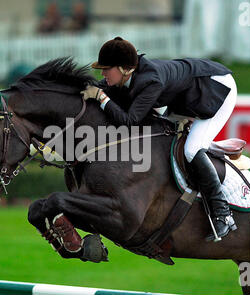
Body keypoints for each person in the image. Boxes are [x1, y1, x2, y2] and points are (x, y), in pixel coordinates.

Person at [81, 37, 238, 241]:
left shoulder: (150, 81)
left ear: (124, 69)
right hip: (191, 91)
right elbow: (100, 86)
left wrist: (101, 98)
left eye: (106, 69)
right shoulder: (129, 75)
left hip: (216, 90)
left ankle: (223, 213)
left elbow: (129, 121)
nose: (102, 73)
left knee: (192, 149)